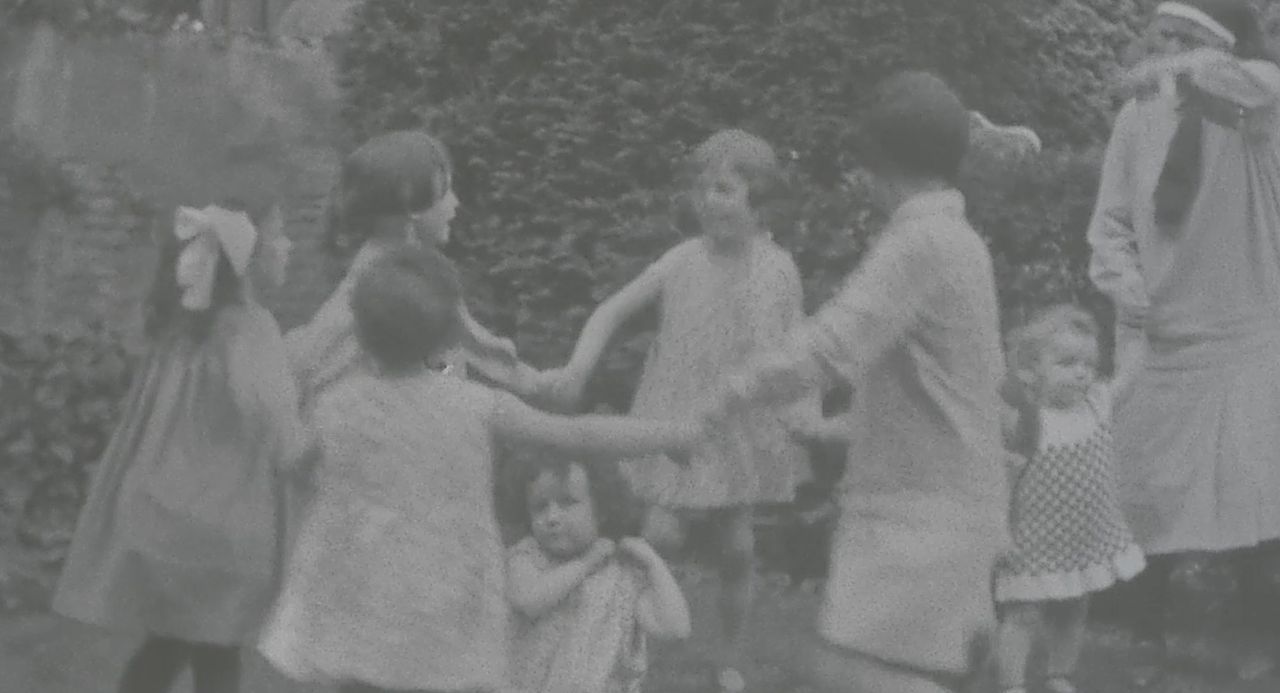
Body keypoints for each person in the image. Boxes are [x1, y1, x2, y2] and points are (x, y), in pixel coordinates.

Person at [258, 249, 697, 693]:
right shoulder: (475, 404)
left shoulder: (337, 404)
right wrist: (668, 435)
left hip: (361, 587)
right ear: (448, 335)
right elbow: (577, 434)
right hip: (442, 590)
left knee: (359, 679)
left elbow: (292, 462)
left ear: (361, 334)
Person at [700, 71, 1008, 693]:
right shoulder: (956, 240)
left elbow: (832, 344)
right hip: (940, 503)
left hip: (923, 514)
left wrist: (727, 393)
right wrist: (829, 427)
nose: (861, 180)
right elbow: (937, 388)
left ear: (882, 161)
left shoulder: (921, 241)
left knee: (849, 673)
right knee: (911, 671)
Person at [542, 128, 816, 692]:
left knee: (737, 546)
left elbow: (801, 350)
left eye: (724, 189)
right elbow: (613, 309)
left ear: (758, 200)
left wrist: (804, 414)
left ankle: (729, 657)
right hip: (674, 421)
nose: (709, 200)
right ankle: (620, 642)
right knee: (659, 536)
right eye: (703, 188)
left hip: (740, 427)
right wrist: (577, 368)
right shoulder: (682, 260)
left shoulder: (778, 269)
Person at [1087, 0, 1280, 679]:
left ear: (1217, 49)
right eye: (1158, 36)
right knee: (1144, 478)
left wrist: (1185, 66)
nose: (1161, 49)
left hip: (1247, 325)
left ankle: (1261, 634)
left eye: (1181, 37)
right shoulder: (1136, 119)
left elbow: (1261, 79)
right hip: (1158, 328)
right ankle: (1137, 626)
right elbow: (1110, 221)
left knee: (1257, 483)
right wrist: (1126, 285)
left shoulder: (1253, 116)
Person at [51, 201, 308, 693]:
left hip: (164, 512)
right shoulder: (250, 331)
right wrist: (309, 455)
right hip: (224, 526)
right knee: (216, 652)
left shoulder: (182, 331)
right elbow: (270, 414)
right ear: (248, 256)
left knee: (169, 646)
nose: (288, 246)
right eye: (279, 236)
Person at [993, 305, 1146, 693]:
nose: (1082, 371)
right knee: (1023, 613)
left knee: (1074, 607)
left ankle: (1059, 675)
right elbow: (1004, 481)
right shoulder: (1025, 419)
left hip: (1083, 536)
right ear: (1031, 369)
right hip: (1032, 538)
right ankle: (1012, 685)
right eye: (1067, 362)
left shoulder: (1095, 404)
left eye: (1088, 363)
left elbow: (1128, 376)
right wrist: (1000, 533)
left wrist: (1139, 327)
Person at [507, 457, 691, 693]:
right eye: (539, 507)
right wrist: (585, 564)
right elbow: (529, 601)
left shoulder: (621, 574)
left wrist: (653, 563)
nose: (551, 517)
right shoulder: (526, 558)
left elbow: (675, 629)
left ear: (602, 509)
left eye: (567, 502)